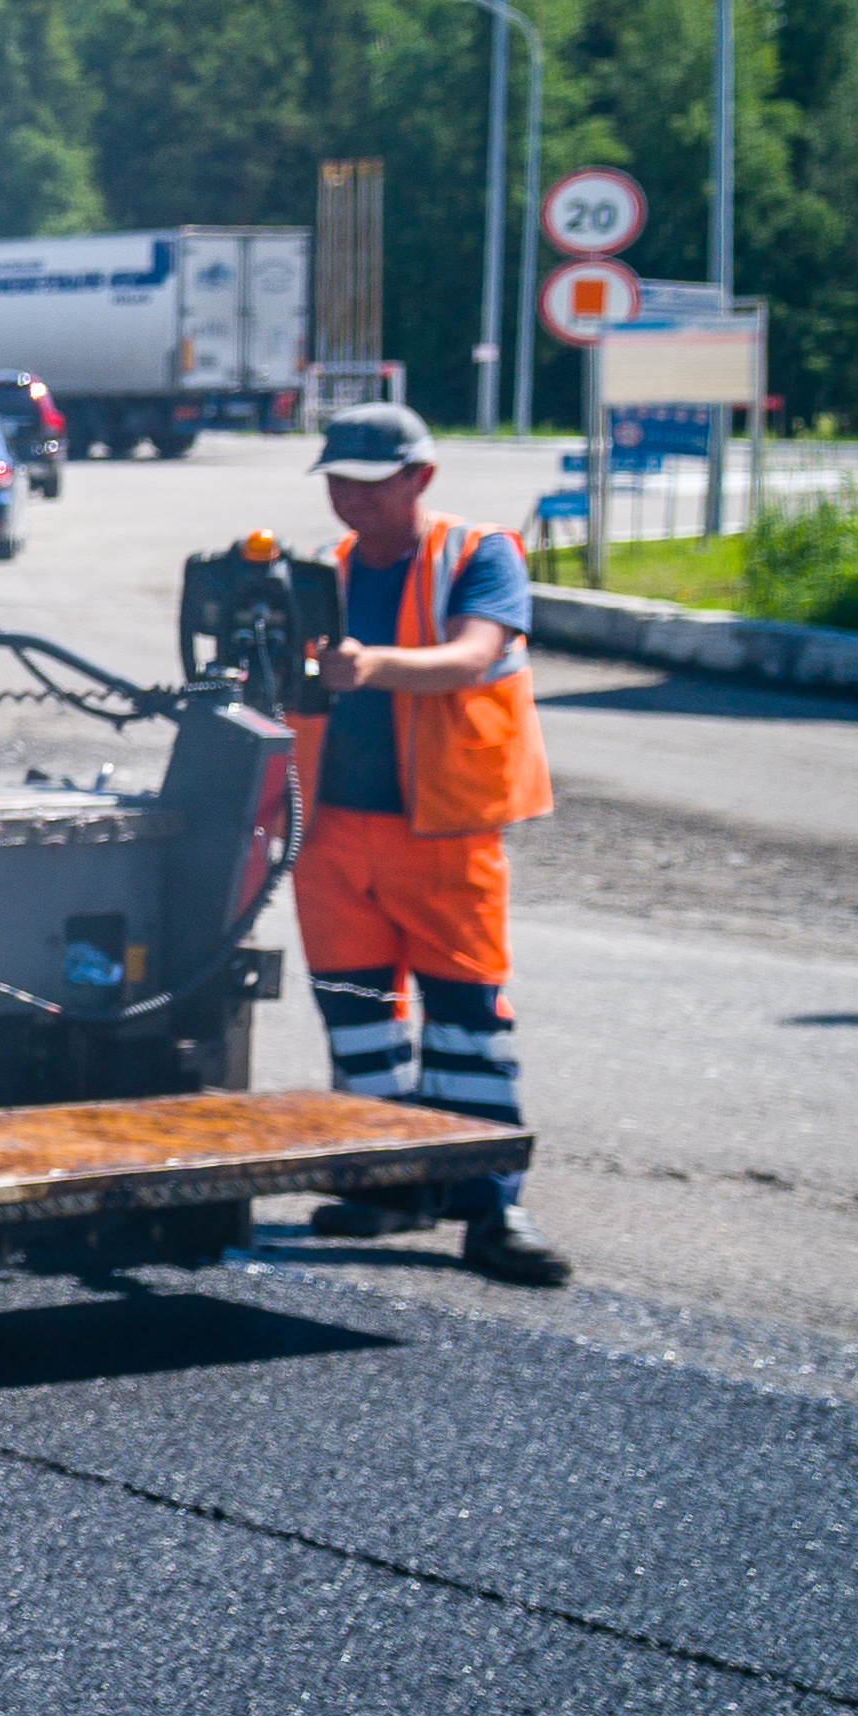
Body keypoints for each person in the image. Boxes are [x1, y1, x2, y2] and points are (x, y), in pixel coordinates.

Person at [294, 402, 568, 1282]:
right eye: (338, 483)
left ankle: (491, 1210)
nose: (352, 501)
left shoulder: (478, 554)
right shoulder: (326, 571)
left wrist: (370, 664)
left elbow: (470, 655)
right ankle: (387, 1186)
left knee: (466, 1029)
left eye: (372, 485)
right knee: (357, 1021)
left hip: (442, 834)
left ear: (421, 478)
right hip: (331, 835)